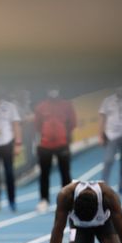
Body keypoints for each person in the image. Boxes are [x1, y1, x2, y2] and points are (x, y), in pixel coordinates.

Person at [33, 85, 77, 213]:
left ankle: (67, 201)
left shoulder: (67, 105)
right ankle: (44, 200)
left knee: (65, 173)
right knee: (44, 174)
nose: (53, 92)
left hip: (62, 143)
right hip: (45, 145)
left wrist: (63, 134)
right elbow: (37, 125)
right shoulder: (40, 107)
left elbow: (72, 123)